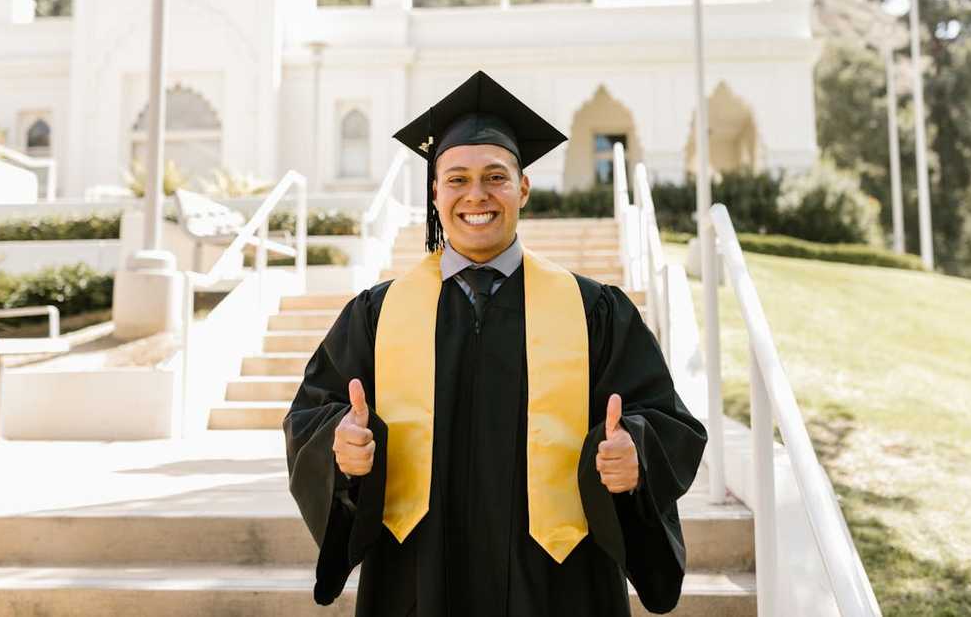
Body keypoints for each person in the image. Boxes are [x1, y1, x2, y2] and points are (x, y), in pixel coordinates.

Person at [284, 70, 708, 617]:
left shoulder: (591, 311)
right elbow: (313, 416)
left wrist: (636, 456)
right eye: (456, 179)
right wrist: (339, 451)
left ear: (523, 188)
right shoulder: (379, 313)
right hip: (419, 578)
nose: (476, 195)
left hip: (559, 586)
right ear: (434, 193)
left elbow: (665, 419)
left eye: (495, 177)